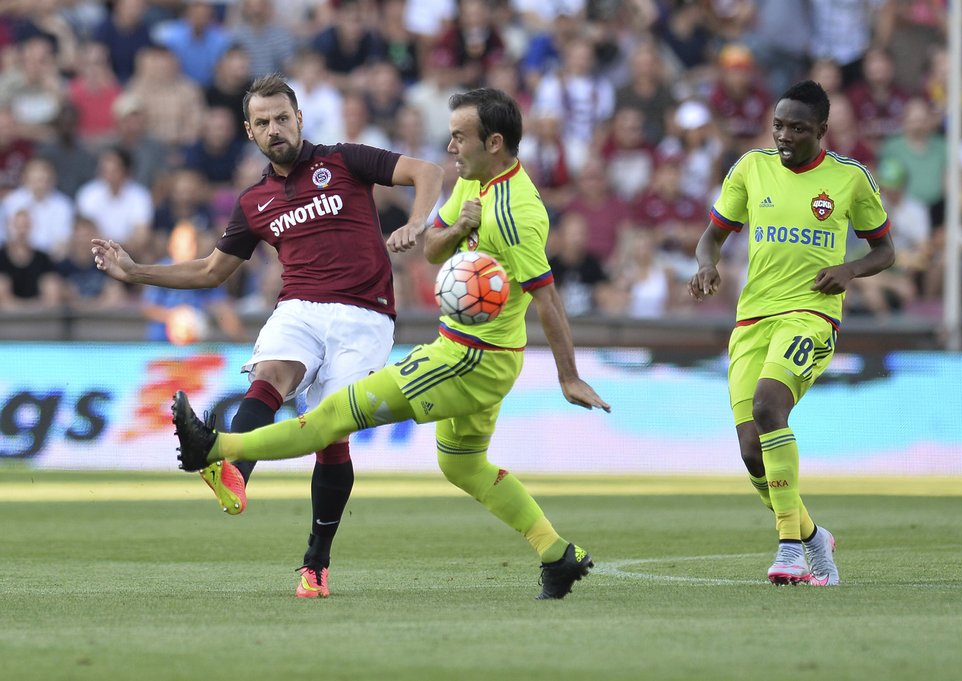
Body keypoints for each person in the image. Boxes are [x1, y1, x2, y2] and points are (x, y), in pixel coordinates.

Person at [170, 87, 611, 600]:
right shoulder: (477, 187)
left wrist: (568, 376)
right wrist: (448, 227)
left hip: (470, 358)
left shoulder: (517, 213)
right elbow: (432, 248)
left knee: (334, 415)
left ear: (493, 142)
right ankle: (558, 555)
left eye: (459, 138)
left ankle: (217, 446)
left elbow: (549, 300)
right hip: (477, 351)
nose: (450, 148)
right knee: (462, 464)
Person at [92, 73, 444, 598]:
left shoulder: (345, 160)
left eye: (282, 117)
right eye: (263, 122)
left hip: (365, 315)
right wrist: (137, 271)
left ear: (299, 118)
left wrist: (418, 222)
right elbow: (213, 271)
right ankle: (232, 473)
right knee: (269, 376)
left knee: (331, 432)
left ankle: (316, 562)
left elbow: (427, 171)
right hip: (299, 306)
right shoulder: (255, 200)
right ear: (249, 132)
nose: (275, 128)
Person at [688, 80, 895, 586]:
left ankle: (788, 546)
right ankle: (813, 537)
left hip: (811, 315)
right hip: (752, 319)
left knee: (767, 407)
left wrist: (848, 271)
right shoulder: (750, 168)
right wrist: (706, 266)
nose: (784, 135)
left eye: (797, 128)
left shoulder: (849, 179)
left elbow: (886, 250)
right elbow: (711, 237)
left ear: (821, 130)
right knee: (750, 450)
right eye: (778, 124)